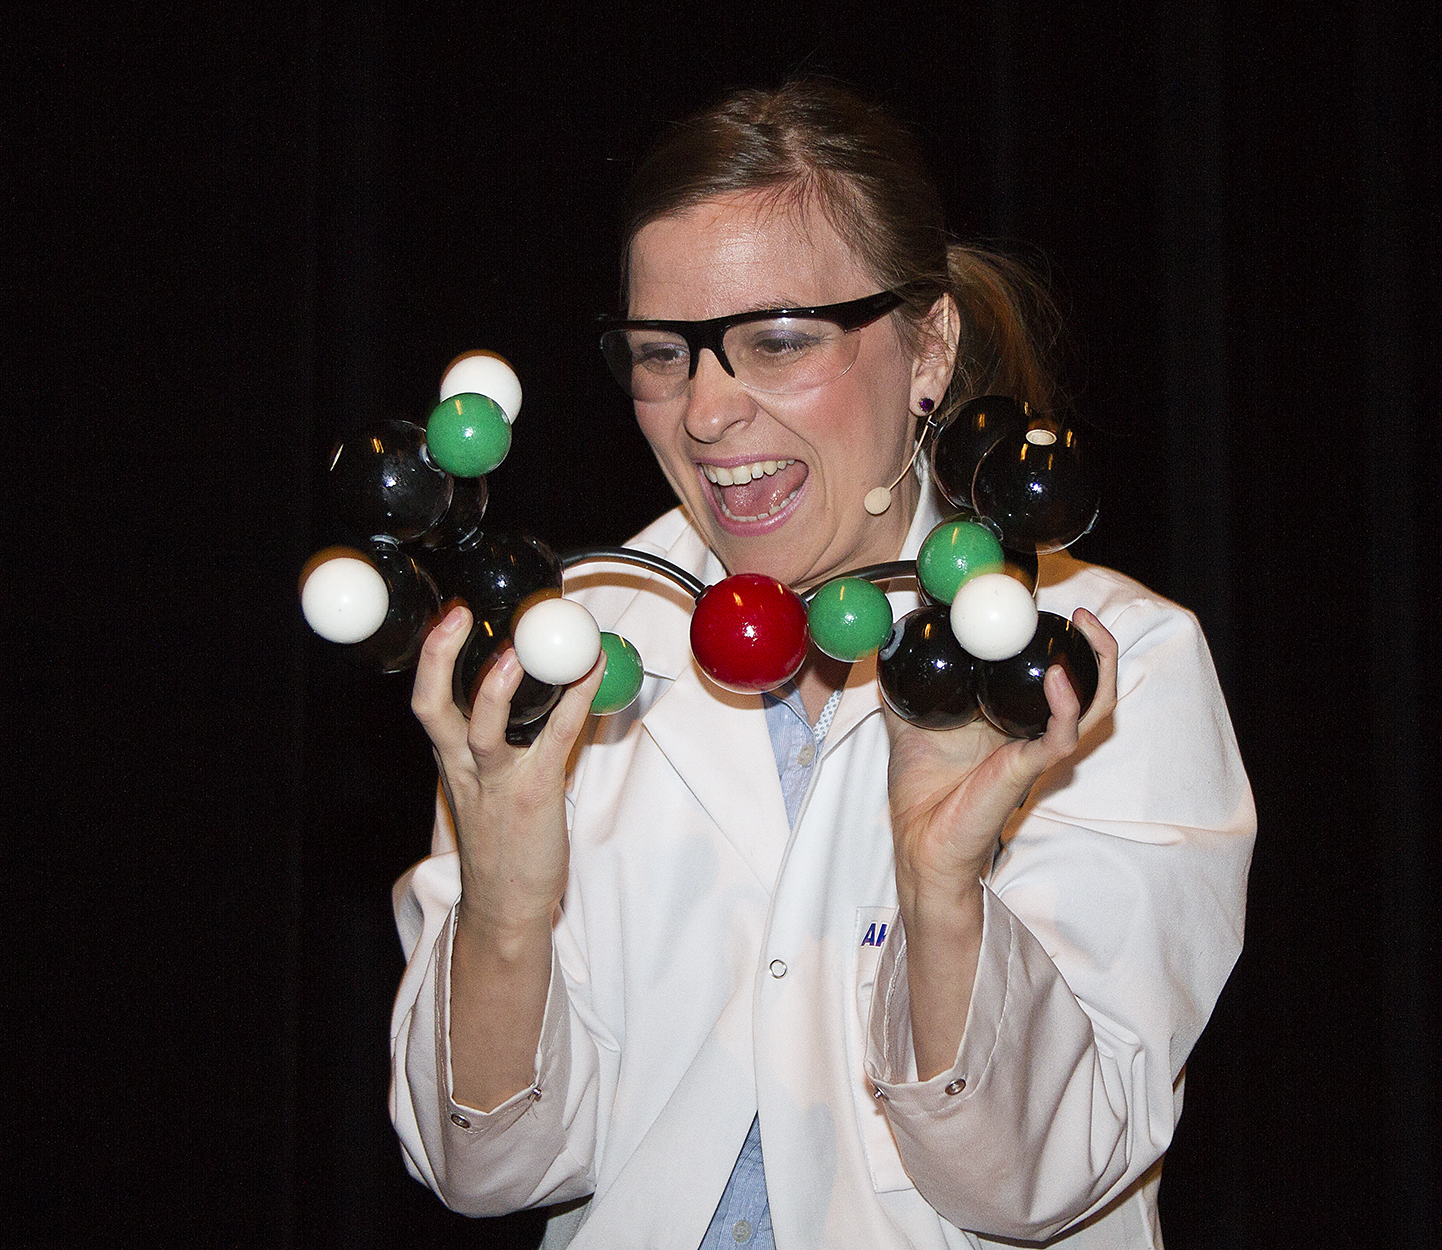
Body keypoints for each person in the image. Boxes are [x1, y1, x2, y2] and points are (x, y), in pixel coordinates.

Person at [390, 81, 1255, 1249]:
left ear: (927, 346)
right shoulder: (565, 653)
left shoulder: (1099, 664)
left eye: (779, 340)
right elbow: (485, 1168)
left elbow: (1039, 1177)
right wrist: (502, 902)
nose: (705, 411)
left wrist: (940, 890)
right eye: (662, 353)